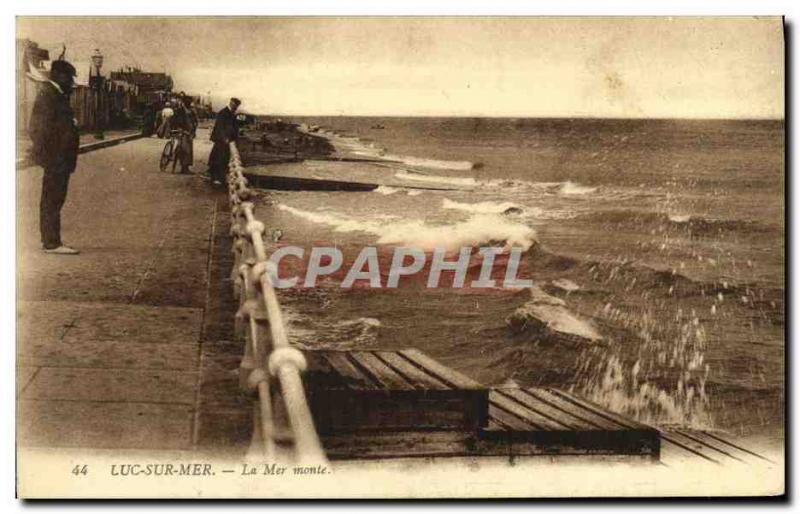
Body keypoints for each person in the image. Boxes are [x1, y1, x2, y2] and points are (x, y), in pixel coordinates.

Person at [28, 59, 81, 255]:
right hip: (56, 159)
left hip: (59, 159)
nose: (71, 82)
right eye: (69, 77)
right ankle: (52, 243)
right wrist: (51, 156)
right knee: (52, 199)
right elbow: (38, 129)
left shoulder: (55, 94)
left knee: (54, 199)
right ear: (59, 75)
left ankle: (50, 240)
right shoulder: (49, 95)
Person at [207, 97, 241, 186]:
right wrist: (224, 138)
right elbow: (220, 127)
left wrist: (234, 138)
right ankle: (215, 178)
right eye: (235, 105)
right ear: (231, 103)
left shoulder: (231, 114)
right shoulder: (223, 113)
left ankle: (220, 178)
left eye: (237, 106)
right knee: (218, 158)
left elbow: (234, 127)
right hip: (221, 140)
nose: (236, 107)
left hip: (227, 140)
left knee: (223, 158)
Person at [170, 94, 197, 174]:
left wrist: (193, 131)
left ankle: (185, 167)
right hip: (182, 132)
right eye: (187, 101)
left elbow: (195, 121)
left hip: (190, 132)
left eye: (189, 101)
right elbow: (175, 121)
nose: (188, 103)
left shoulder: (192, 111)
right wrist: (179, 129)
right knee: (185, 150)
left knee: (189, 150)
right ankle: (184, 167)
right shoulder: (180, 110)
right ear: (184, 102)